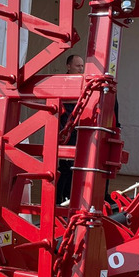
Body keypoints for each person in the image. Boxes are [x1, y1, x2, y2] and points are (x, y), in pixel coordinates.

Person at [56, 55, 84, 204]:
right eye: (77, 66)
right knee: (65, 167)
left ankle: (68, 198)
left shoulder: (83, 82)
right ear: (68, 66)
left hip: (78, 128)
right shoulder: (62, 81)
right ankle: (58, 200)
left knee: (75, 167)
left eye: (82, 66)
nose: (80, 69)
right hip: (65, 129)